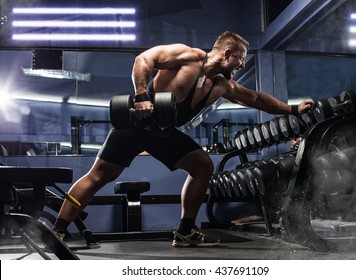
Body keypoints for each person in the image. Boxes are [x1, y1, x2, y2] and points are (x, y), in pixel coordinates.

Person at [52, 31, 313, 247]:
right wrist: (142, 95)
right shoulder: (187, 57)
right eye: (241, 59)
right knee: (99, 176)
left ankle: (185, 231)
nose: (242, 65)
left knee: (202, 166)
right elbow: (144, 59)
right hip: (136, 123)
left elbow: (255, 99)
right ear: (226, 53)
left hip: (164, 133)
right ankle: (58, 230)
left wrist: (292, 109)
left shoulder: (220, 84)